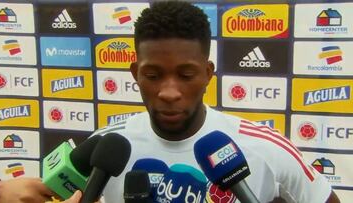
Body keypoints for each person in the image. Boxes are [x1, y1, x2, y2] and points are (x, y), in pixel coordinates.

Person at [90, 1, 340, 203]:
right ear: (135, 73)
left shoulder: (266, 149)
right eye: (153, 76)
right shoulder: (104, 150)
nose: (169, 92)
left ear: (208, 73)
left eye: (186, 75)